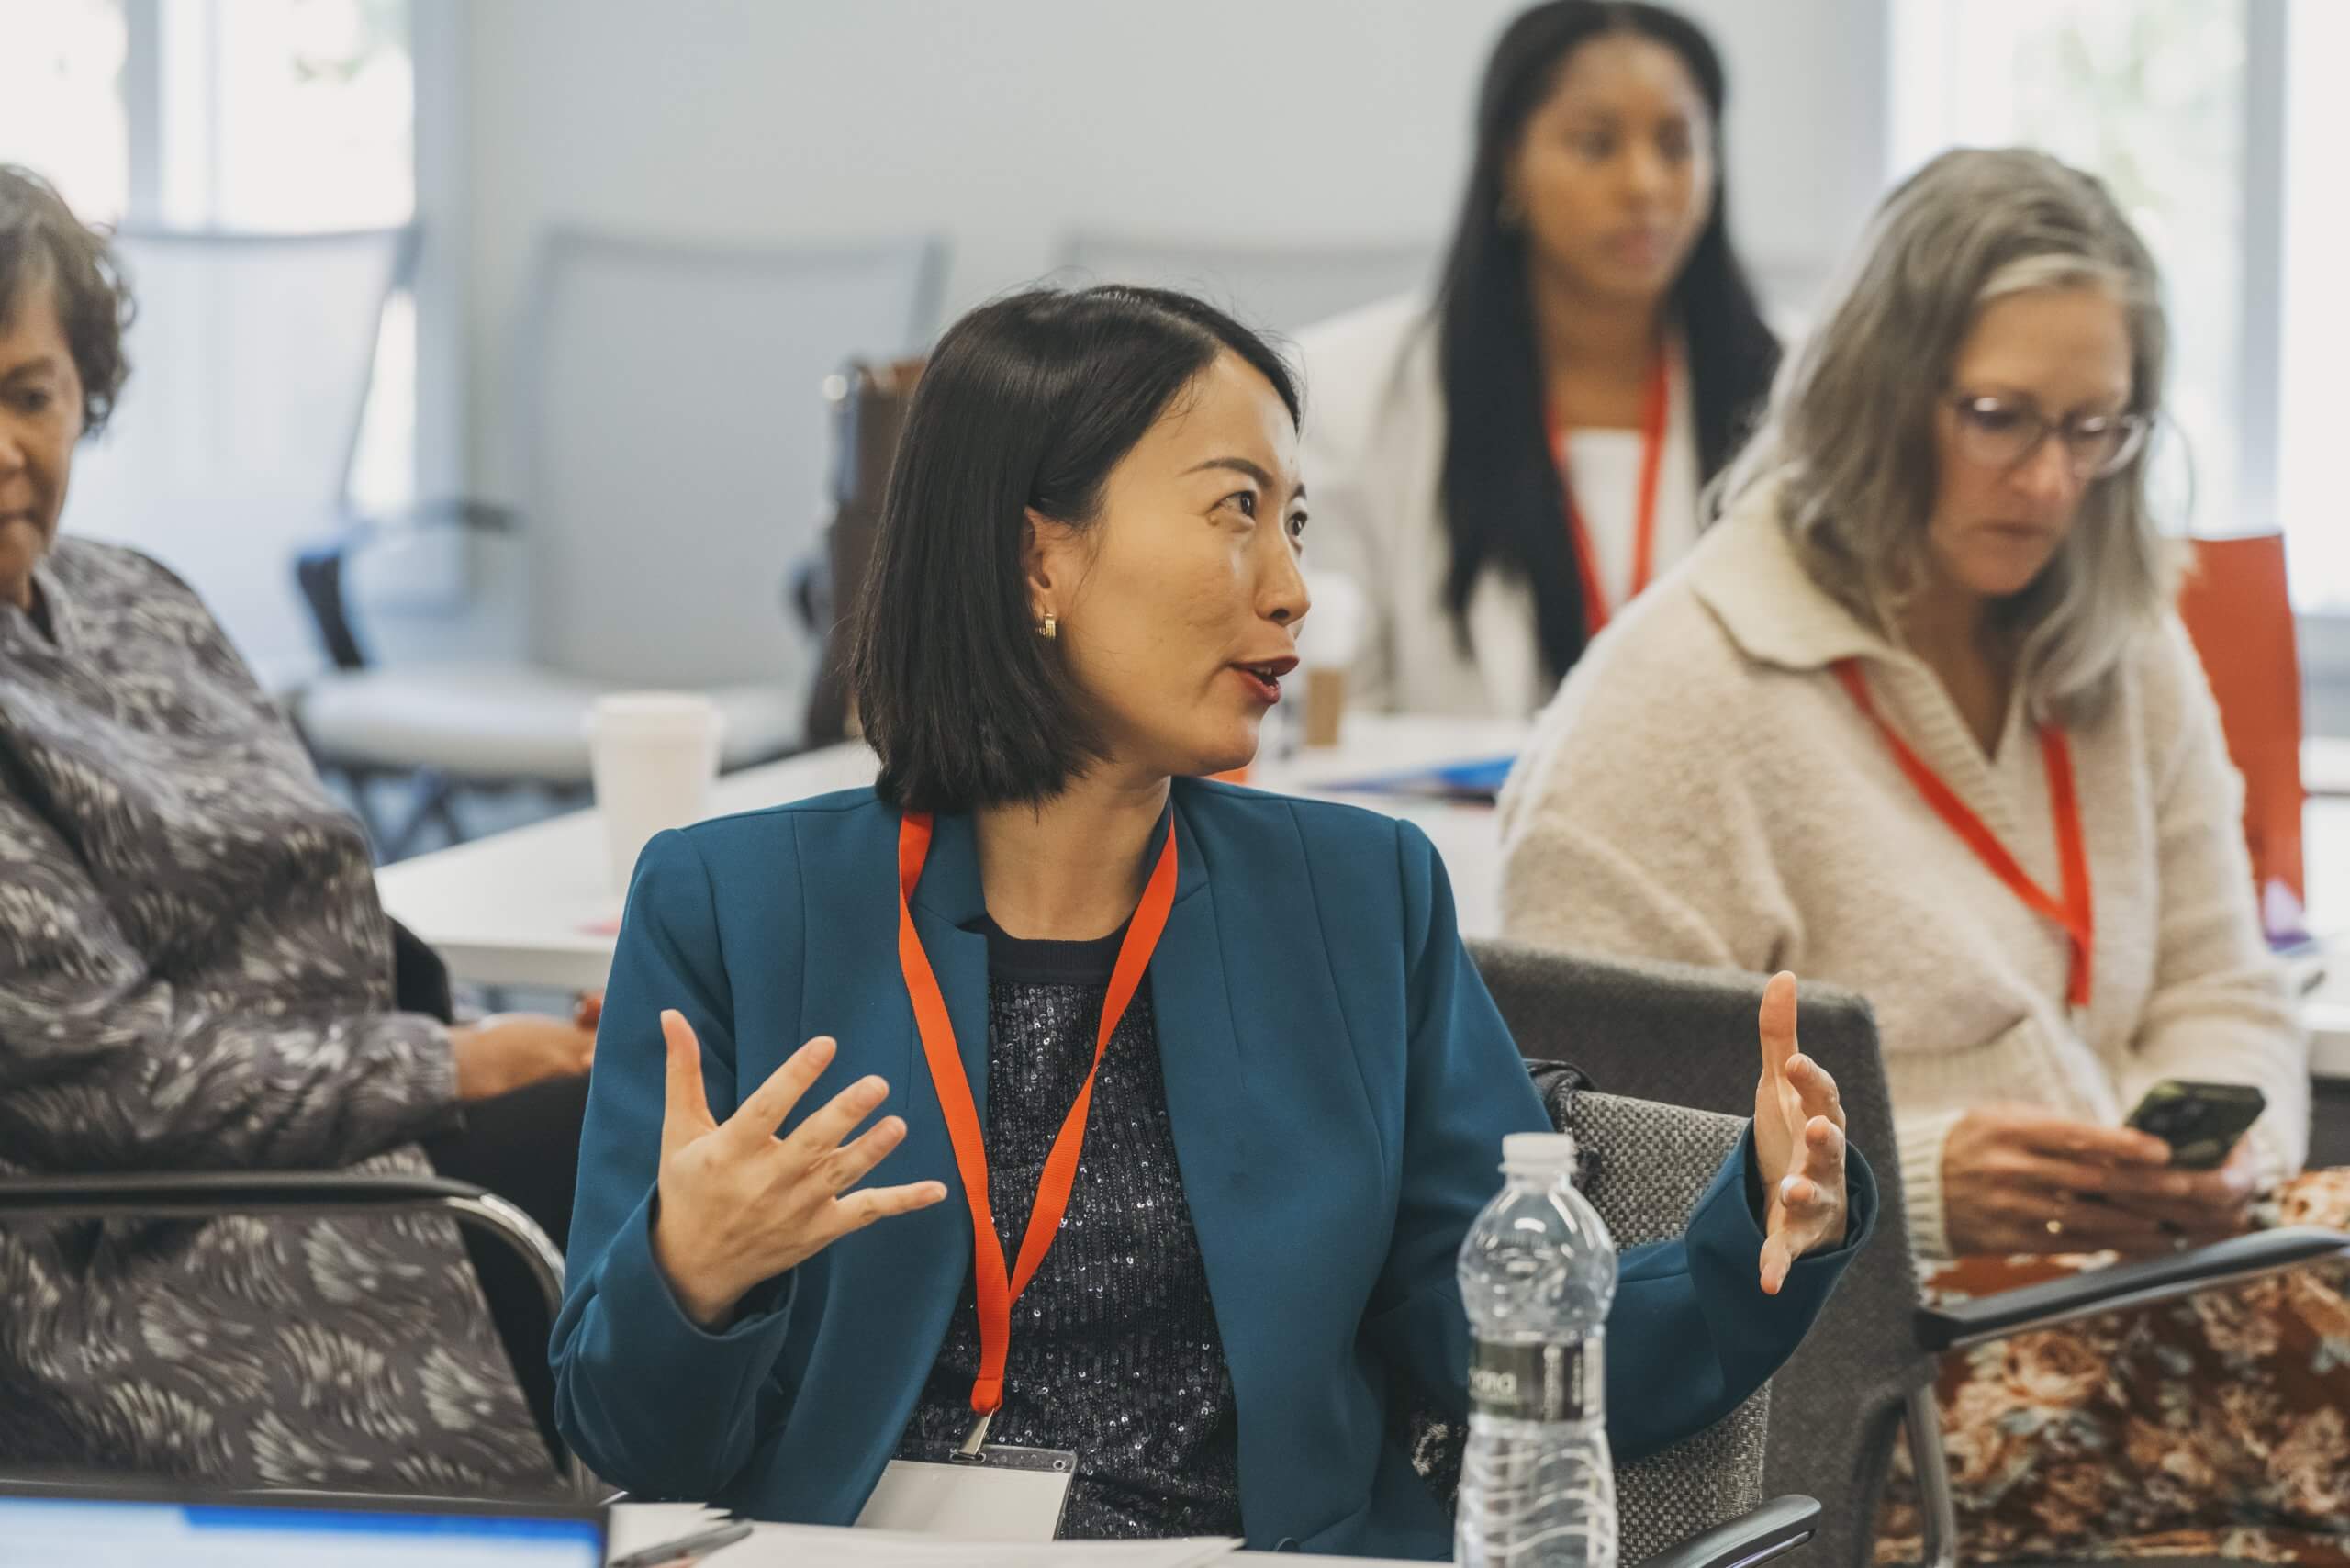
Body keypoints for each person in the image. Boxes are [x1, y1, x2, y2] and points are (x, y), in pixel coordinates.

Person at [553, 283, 1874, 1558]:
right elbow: (633, 1448)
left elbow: (1498, 1332)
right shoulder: (731, 905)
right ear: (1038, 554)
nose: (1292, 589)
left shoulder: (1356, 899)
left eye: (1293, 522)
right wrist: (691, 1274)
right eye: (1237, 510)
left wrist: (1758, 1220)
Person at [1495, 149, 2349, 1560]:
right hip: (1878, 1370)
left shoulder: (2124, 641)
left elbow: (2226, 984)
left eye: (2097, 429)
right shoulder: (1679, 696)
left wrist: (2218, 1150)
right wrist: (1927, 1183)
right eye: (2001, 419)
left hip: (2143, 1288)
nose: (2051, 480)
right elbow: (1603, 1171)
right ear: (1876, 394)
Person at [0, 164, 593, 1489]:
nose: (4, 450)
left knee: (706, 1111)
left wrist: (487, 1041)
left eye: (29, 394)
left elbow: (305, 908)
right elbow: (115, 1087)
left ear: (85, 389)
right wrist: (457, 1065)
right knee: (660, 1162)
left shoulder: (137, 597)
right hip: (143, 1243)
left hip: (332, 1137)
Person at [1295, 0, 1779, 717]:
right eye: (1596, 144)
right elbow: (1332, 714)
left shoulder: (1805, 392)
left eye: (1677, 146)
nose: (1645, 185)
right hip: (1439, 795)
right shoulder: (1347, 393)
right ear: (1508, 162)